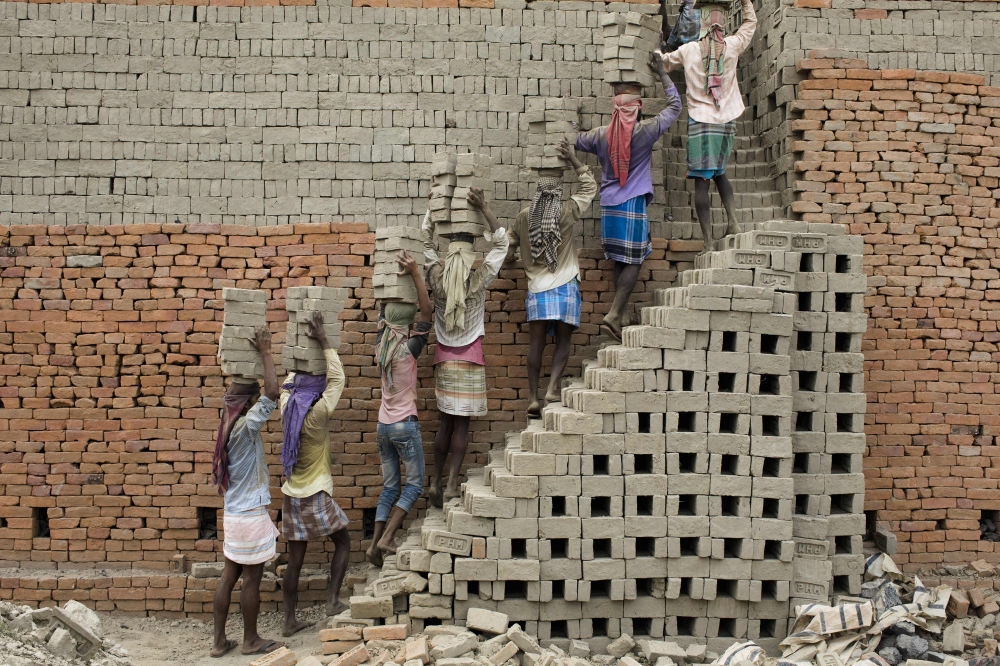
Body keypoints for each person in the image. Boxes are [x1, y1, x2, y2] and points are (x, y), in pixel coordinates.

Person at [576, 52, 682, 342]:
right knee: (634, 260)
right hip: (632, 202)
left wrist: (572, 118)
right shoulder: (645, 132)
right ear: (636, 109)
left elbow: (572, 138)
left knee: (619, 260)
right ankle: (613, 312)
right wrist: (662, 73)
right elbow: (675, 107)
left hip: (609, 206)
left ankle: (620, 315)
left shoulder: (600, 135)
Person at [422, 187, 510, 507]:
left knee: (444, 423)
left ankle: (433, 481)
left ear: (450, 252)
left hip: (444, 359)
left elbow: (426, 242)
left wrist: (435, 210)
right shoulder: (480, 278)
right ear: (472, 253)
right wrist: (484, 207)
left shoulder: (437, 279)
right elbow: (502, 242)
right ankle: (450, 484)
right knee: (461, 426)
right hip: (471, 359)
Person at [210, 327, 285, 658]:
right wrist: (266, 351)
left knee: (229, 576)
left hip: (232, 513)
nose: (258, 402)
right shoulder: (245, 426)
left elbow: (263, 394)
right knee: (251, 581)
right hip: (251, 515)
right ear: (248, 402)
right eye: (253, 400)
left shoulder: (226, 424)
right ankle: (251, 640)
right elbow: (272, 391)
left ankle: (218, 642)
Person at [509, 139, 598, 418]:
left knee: (536, 345)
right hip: (566, 286)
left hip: (537, 288)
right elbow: (590, 188)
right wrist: (573, 159)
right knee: (562, 342)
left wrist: (515, 255)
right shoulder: (566, 211)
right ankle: (552, 389)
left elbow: (508, 244)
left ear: (538, 188)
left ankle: (533, 398)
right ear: (558, 189)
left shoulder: (524, 217)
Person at [660, 0, 757, 255]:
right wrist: (746, 2)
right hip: (727, 120)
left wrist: (652, 54)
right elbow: (750, 24)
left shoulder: (690, 50)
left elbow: (664, 63)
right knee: (720, 173)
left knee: (701, 182)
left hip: (702, 121)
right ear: (723, 20)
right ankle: (733, 223)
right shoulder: (732, 45)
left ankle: (708, 243)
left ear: (701, 20)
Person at [278, 311, 350, 635]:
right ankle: (332, 601)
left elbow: (288, 383)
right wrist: (323, 342)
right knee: (344, 542)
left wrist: (299, 355)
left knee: (295, 559)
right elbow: (338, 380)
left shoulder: (287, 408)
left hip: (291, 492)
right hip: (316, 491)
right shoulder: (318, 413)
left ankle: (288, 620)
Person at [365, 250, 433, 566]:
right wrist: (415, 273)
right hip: (405, 424)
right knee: (416, 484)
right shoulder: (409, 349)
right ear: (405, 324)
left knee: (390, 486)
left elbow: (384, 311)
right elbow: (427, 313)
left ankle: (373, 544)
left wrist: (390, 282)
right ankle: (388, 538)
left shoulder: (382, 345)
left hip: (382, 427)